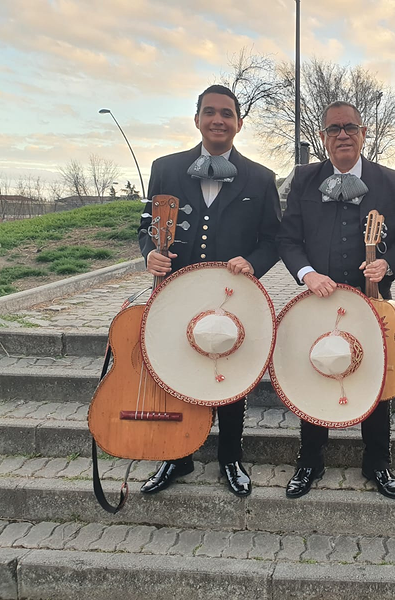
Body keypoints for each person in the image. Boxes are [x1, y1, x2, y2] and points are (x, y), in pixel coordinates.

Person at [138, 84, 281, 497]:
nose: (218, 119)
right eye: (210, 112)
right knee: (173, 370)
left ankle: (230, 458)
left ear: (239, 123)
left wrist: (253, 262)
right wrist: (150, 254)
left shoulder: (261, 177)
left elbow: (273, 238)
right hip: (174, 292)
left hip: (231, 296)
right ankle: (175, 459)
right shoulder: (164, 168)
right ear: (197, 118)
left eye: (227, 113)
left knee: (229, 373)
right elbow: (146, 227)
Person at [277, 100, 395, 499]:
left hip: (373, 302)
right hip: (317, 301)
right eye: (333, 129)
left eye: (350, 127)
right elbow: (288, 239)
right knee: (315, 374)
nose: (342, 135)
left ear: (363, 133)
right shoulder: (304, 179)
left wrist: (388, 265)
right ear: (323, 137)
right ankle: (310, 461)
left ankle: (378, 463)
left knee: (376, 380)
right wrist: (307, 275)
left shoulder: (393, 182)